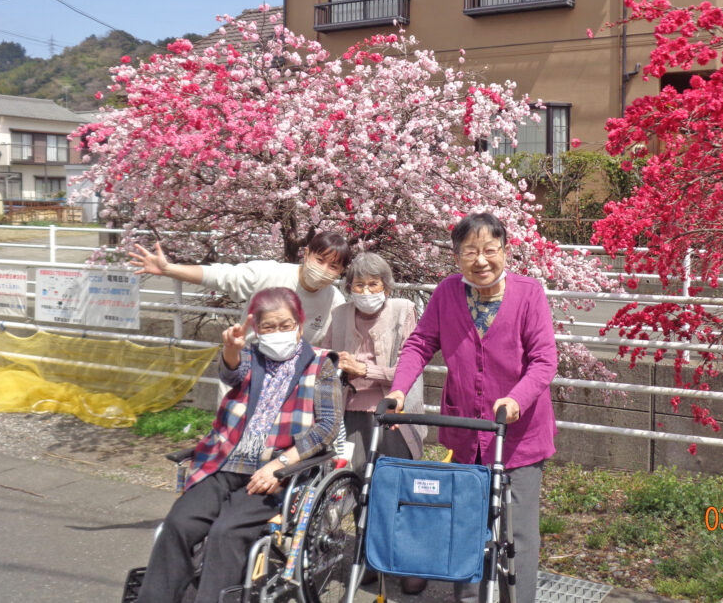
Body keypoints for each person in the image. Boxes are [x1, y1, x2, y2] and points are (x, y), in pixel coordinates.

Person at [386, 212, 557, 603]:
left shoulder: (529, 293)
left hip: (519, 436)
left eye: (490, 250)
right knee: (465, 525)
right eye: (470, 252)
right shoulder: (447, 292)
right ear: (457, 256)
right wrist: (398, 390)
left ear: (506, 251)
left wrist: (516, 398)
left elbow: (545, 360)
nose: (481, 260)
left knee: (518, 535)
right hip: (467, 432)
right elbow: (420, 343)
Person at [136, 287, 342, 603]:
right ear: (257, 329)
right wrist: (230, 350)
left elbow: (327, 427)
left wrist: (279, 466)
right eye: (268, 327)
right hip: (225, 461)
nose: (278, 333)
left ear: (299, 324)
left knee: (225, 533)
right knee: (178, 524)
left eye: (285, 325)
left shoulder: (320, 364)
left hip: (276, 473)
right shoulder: (251, 354)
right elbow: (233, 376)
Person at [321, 251, 429, 595]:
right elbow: (325, 358)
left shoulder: (402, 311)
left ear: (386, 285)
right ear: (348, 286)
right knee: (357, 486)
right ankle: (368, 557)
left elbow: (410, 368)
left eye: (373, 283)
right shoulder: (338, 314)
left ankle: (410, 561)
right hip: (350, 412)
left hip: (394, 413)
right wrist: (336, 364)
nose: (366, 290)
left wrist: (366, 369)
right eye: (358, 284)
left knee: (399, 488)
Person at [129, 231, 351, 346]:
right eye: (320, 260)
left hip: (292, 379)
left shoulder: (335, 302)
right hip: (249, 364)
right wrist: (170, 269)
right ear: (306, 254)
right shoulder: (269, 273)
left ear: (340, 271)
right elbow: (222, 276)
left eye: (333, 266)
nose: (324, 269)